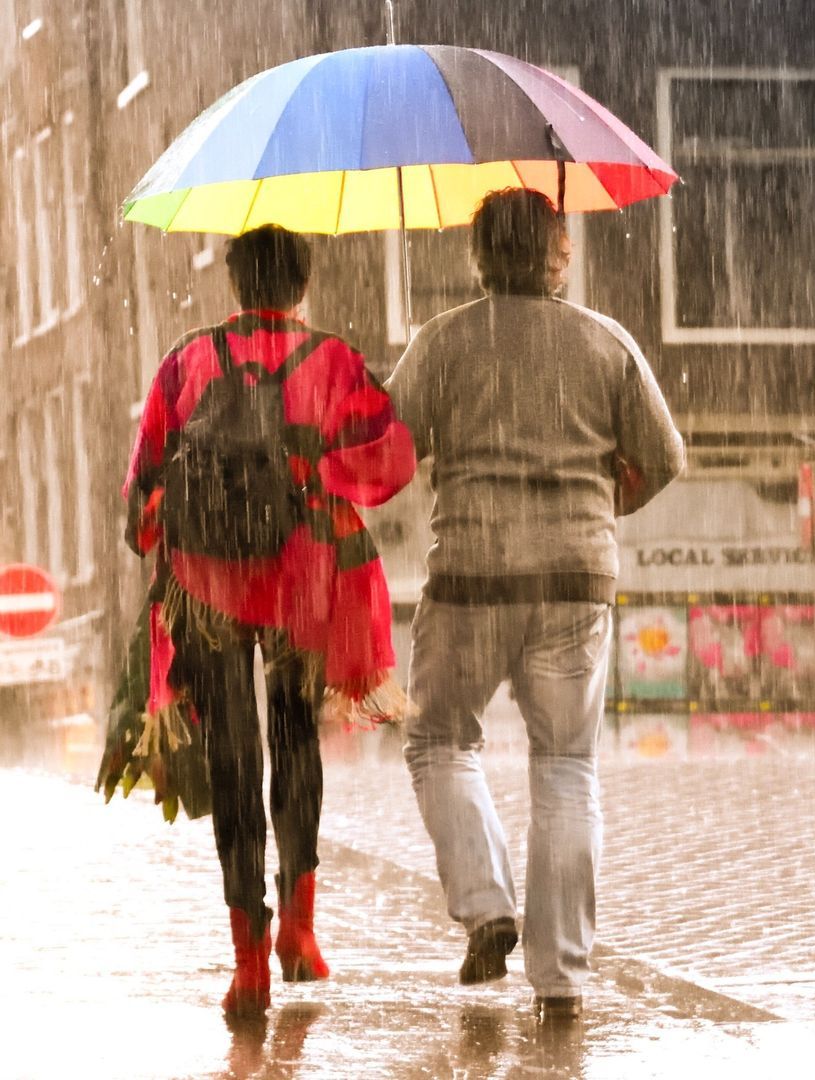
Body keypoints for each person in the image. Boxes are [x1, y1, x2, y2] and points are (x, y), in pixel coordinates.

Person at [387, 189, 685, 1021]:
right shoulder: (606, 342)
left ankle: (487, 907)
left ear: (478, 257)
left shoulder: (443, 343)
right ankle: (561, 977)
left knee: (440, 738)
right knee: (566, 768)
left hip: (472, 573)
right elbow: (664, 456)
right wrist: (600, 505)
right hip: (576, 582)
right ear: (558, 255)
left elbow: (389, 443)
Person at [123, 225, 416, 1017]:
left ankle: (246, 959)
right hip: (302, 579)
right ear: (302, 283)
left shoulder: (185, 361)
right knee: (294, 747)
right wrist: (317, 470)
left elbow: (144, 486)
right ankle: (300, 930)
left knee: (233, 759)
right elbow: (391, 460)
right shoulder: (332, 360)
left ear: (235, 283)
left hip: (209, 581)